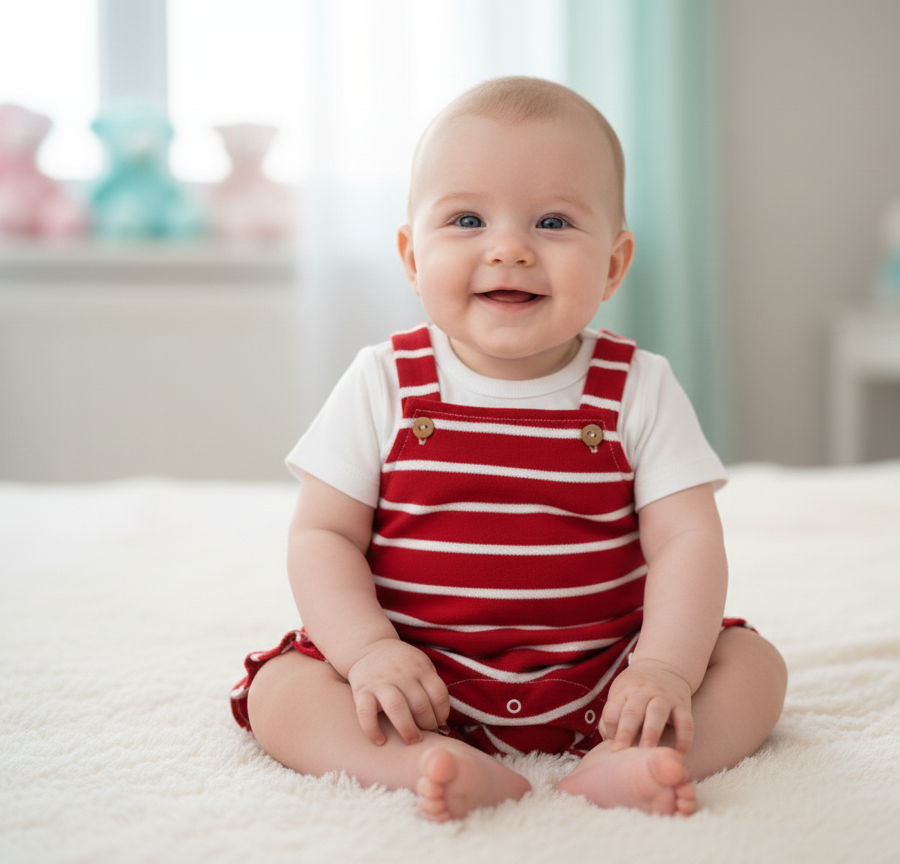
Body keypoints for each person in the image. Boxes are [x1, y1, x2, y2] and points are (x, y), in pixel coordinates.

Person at [231, 76, 786, 822]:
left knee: (753, 668)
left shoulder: (638, 387)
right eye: (467, 219)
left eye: (553, 222)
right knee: (281, 694)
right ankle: (420, 762)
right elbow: (322, 534)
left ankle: (631, 759)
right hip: (417, 680)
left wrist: (663, 670)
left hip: (609, 677)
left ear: (614, 264)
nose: (509, 249)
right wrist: (368, 653)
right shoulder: (384, 381)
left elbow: (688, 540)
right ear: (411, 257)